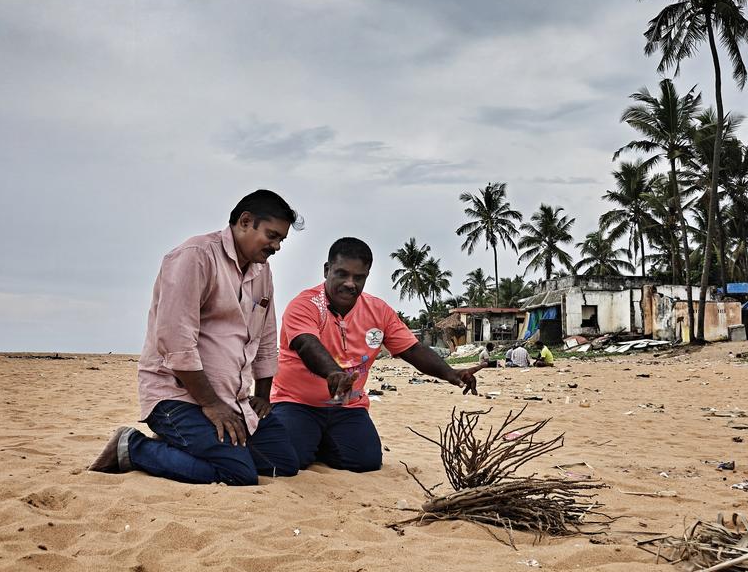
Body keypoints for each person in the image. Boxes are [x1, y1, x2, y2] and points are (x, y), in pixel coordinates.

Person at [89, 189, 303, 486]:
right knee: (239, 473)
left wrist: (263, 398)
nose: (277, 246)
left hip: (234, 400)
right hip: (179, 397)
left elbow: (266, 336)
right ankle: (132, 448)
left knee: (283, 464)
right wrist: (212, 405)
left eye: (281, 239)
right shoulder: (196, 257)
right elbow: (176, 343)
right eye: (272, 235)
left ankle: (193, 446)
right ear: (245, 221)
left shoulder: (261, 271)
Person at [265, 237, 481, 473]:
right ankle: (303, 438)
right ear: (327, 270)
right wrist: (333, 373)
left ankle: (318, 441)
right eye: (342, 274)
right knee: (286, 462)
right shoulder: (305, 305)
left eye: (359, 277)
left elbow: (413, 349)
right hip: (296, 403)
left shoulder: (379, 311)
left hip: (347, 406)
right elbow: (307, 344)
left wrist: (451, 373)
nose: (350, 283)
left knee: (366, 462)